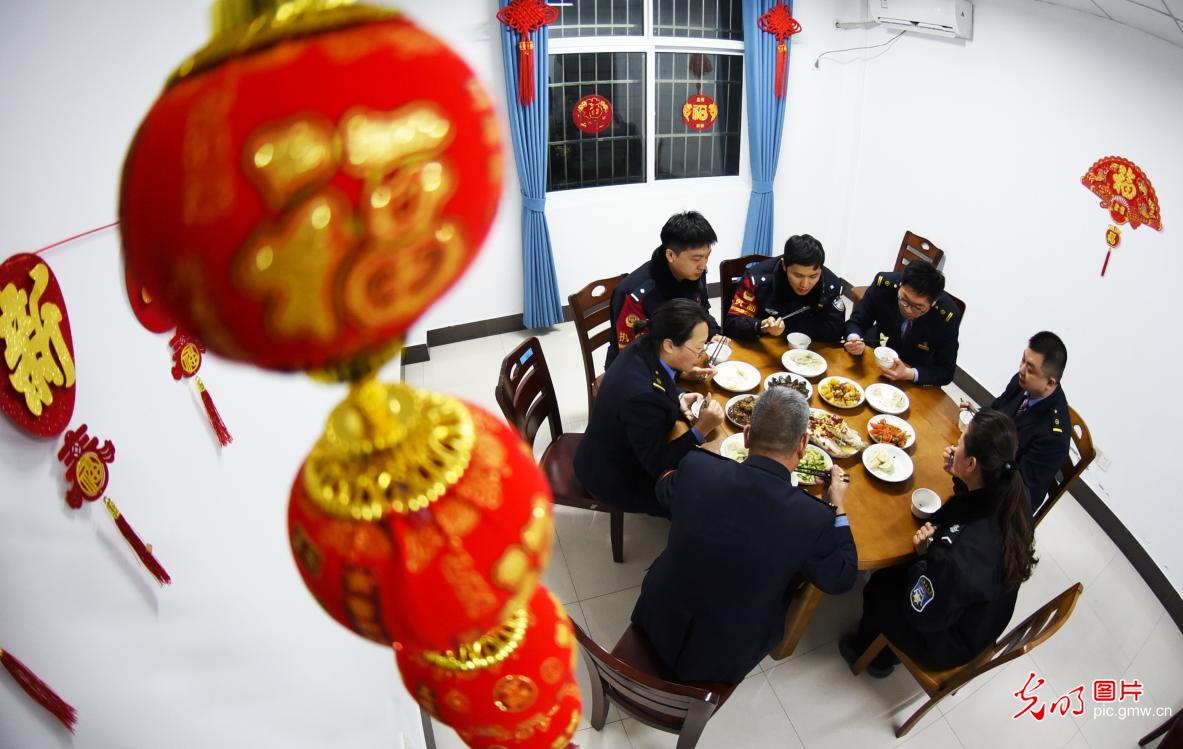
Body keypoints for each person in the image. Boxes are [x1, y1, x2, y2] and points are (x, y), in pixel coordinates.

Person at [630, 388, 858, 683]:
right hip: (722, 657)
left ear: (747, 435)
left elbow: (664, 490)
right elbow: (842, 577)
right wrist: (837, 505)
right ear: (803, 445)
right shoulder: (813, 517)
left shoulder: (698, 467)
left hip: (656, 614)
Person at [840, 409, 1037, 677]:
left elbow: (922, 614)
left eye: (962, 441)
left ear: (973, 464)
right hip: (984, 612)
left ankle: (876, 658)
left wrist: (924, 556)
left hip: (952, 638)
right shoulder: (1014, 486)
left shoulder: (955, 555)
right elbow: (974, 506)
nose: (955, 446)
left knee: (881, 585)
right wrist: (960, 477)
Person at [575, 299, 726, 516]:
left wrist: (679, 396)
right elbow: (657, 464)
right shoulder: (642, 397)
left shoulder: (644, 345)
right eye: (698, 348)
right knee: (707, 499)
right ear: (669, 345)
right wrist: (701, 429)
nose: (702, 355)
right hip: (616, 478)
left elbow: (658, 380)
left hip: (605, 447)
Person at [605, 211, 721, 373]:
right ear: (671, 255)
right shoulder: (634, 295)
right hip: (638, 373)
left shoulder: (695, 273)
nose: (703, 265)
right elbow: (633, 355)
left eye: (707, 257)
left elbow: (702, 312)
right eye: (696, 258)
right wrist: (680, 374)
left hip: (681, 357)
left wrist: (714, 334)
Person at [985, 331, 1072, 514]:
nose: (1022, 370)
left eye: (1031, 369)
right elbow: (997, 409)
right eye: (1023, 360)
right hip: (987, 462)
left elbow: (1021, 493)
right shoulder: (1024, 383)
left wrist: (977, 469)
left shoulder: (1053, 436)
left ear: (1050, 383)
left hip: (1001, 501)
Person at [844, 262, 961, 386]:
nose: (908, 309)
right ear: (901, 285)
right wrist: (854, 338)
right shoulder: (884, 285)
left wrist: (910, 373)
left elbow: (945, 371)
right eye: (904, 299)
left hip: (913, 369)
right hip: (876, 356)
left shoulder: (946, 316)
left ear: (933, 303)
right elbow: (857, 321)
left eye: (918, 307)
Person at [723, 234, 846, 343]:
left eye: (813, 276)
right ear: (784, 265)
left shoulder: (830, 285)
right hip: (763, 347)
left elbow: (836, 330)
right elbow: (733, 324)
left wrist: (788, 327)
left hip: (809, 350)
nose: (805, 284)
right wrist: (762, 326)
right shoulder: (757, 280)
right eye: (798, 275)